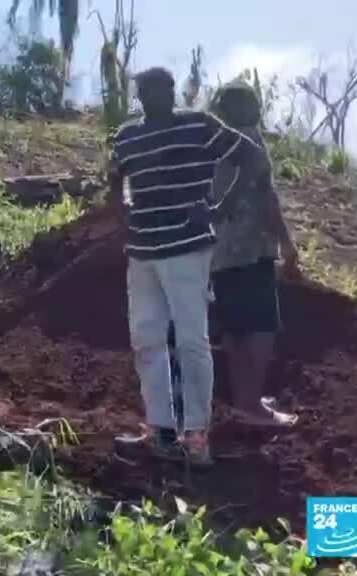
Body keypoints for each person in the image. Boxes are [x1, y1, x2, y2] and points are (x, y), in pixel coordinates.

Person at [108, 67, 260, 467]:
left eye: (161, 89)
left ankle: (196, 437)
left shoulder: (200, 126)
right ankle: (159, 431)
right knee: (146, 341)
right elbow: (115, 177)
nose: (152, 96)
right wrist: (120, 206)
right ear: (139, 96)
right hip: (141, 251)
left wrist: (221, 206)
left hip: (187, 248)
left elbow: (251, 156)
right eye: (145, 91)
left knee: (192, 342)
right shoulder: (127, 136)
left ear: (173, 91)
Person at [209, 82, 300, 428]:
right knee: (261, 325)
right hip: (252, 247)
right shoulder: (251, 141)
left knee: (234, 326)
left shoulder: (214, 145)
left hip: (219, 250)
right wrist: (287, 244)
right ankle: (252, 407)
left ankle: (244, 398)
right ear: (248, 109)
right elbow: (266, 197)